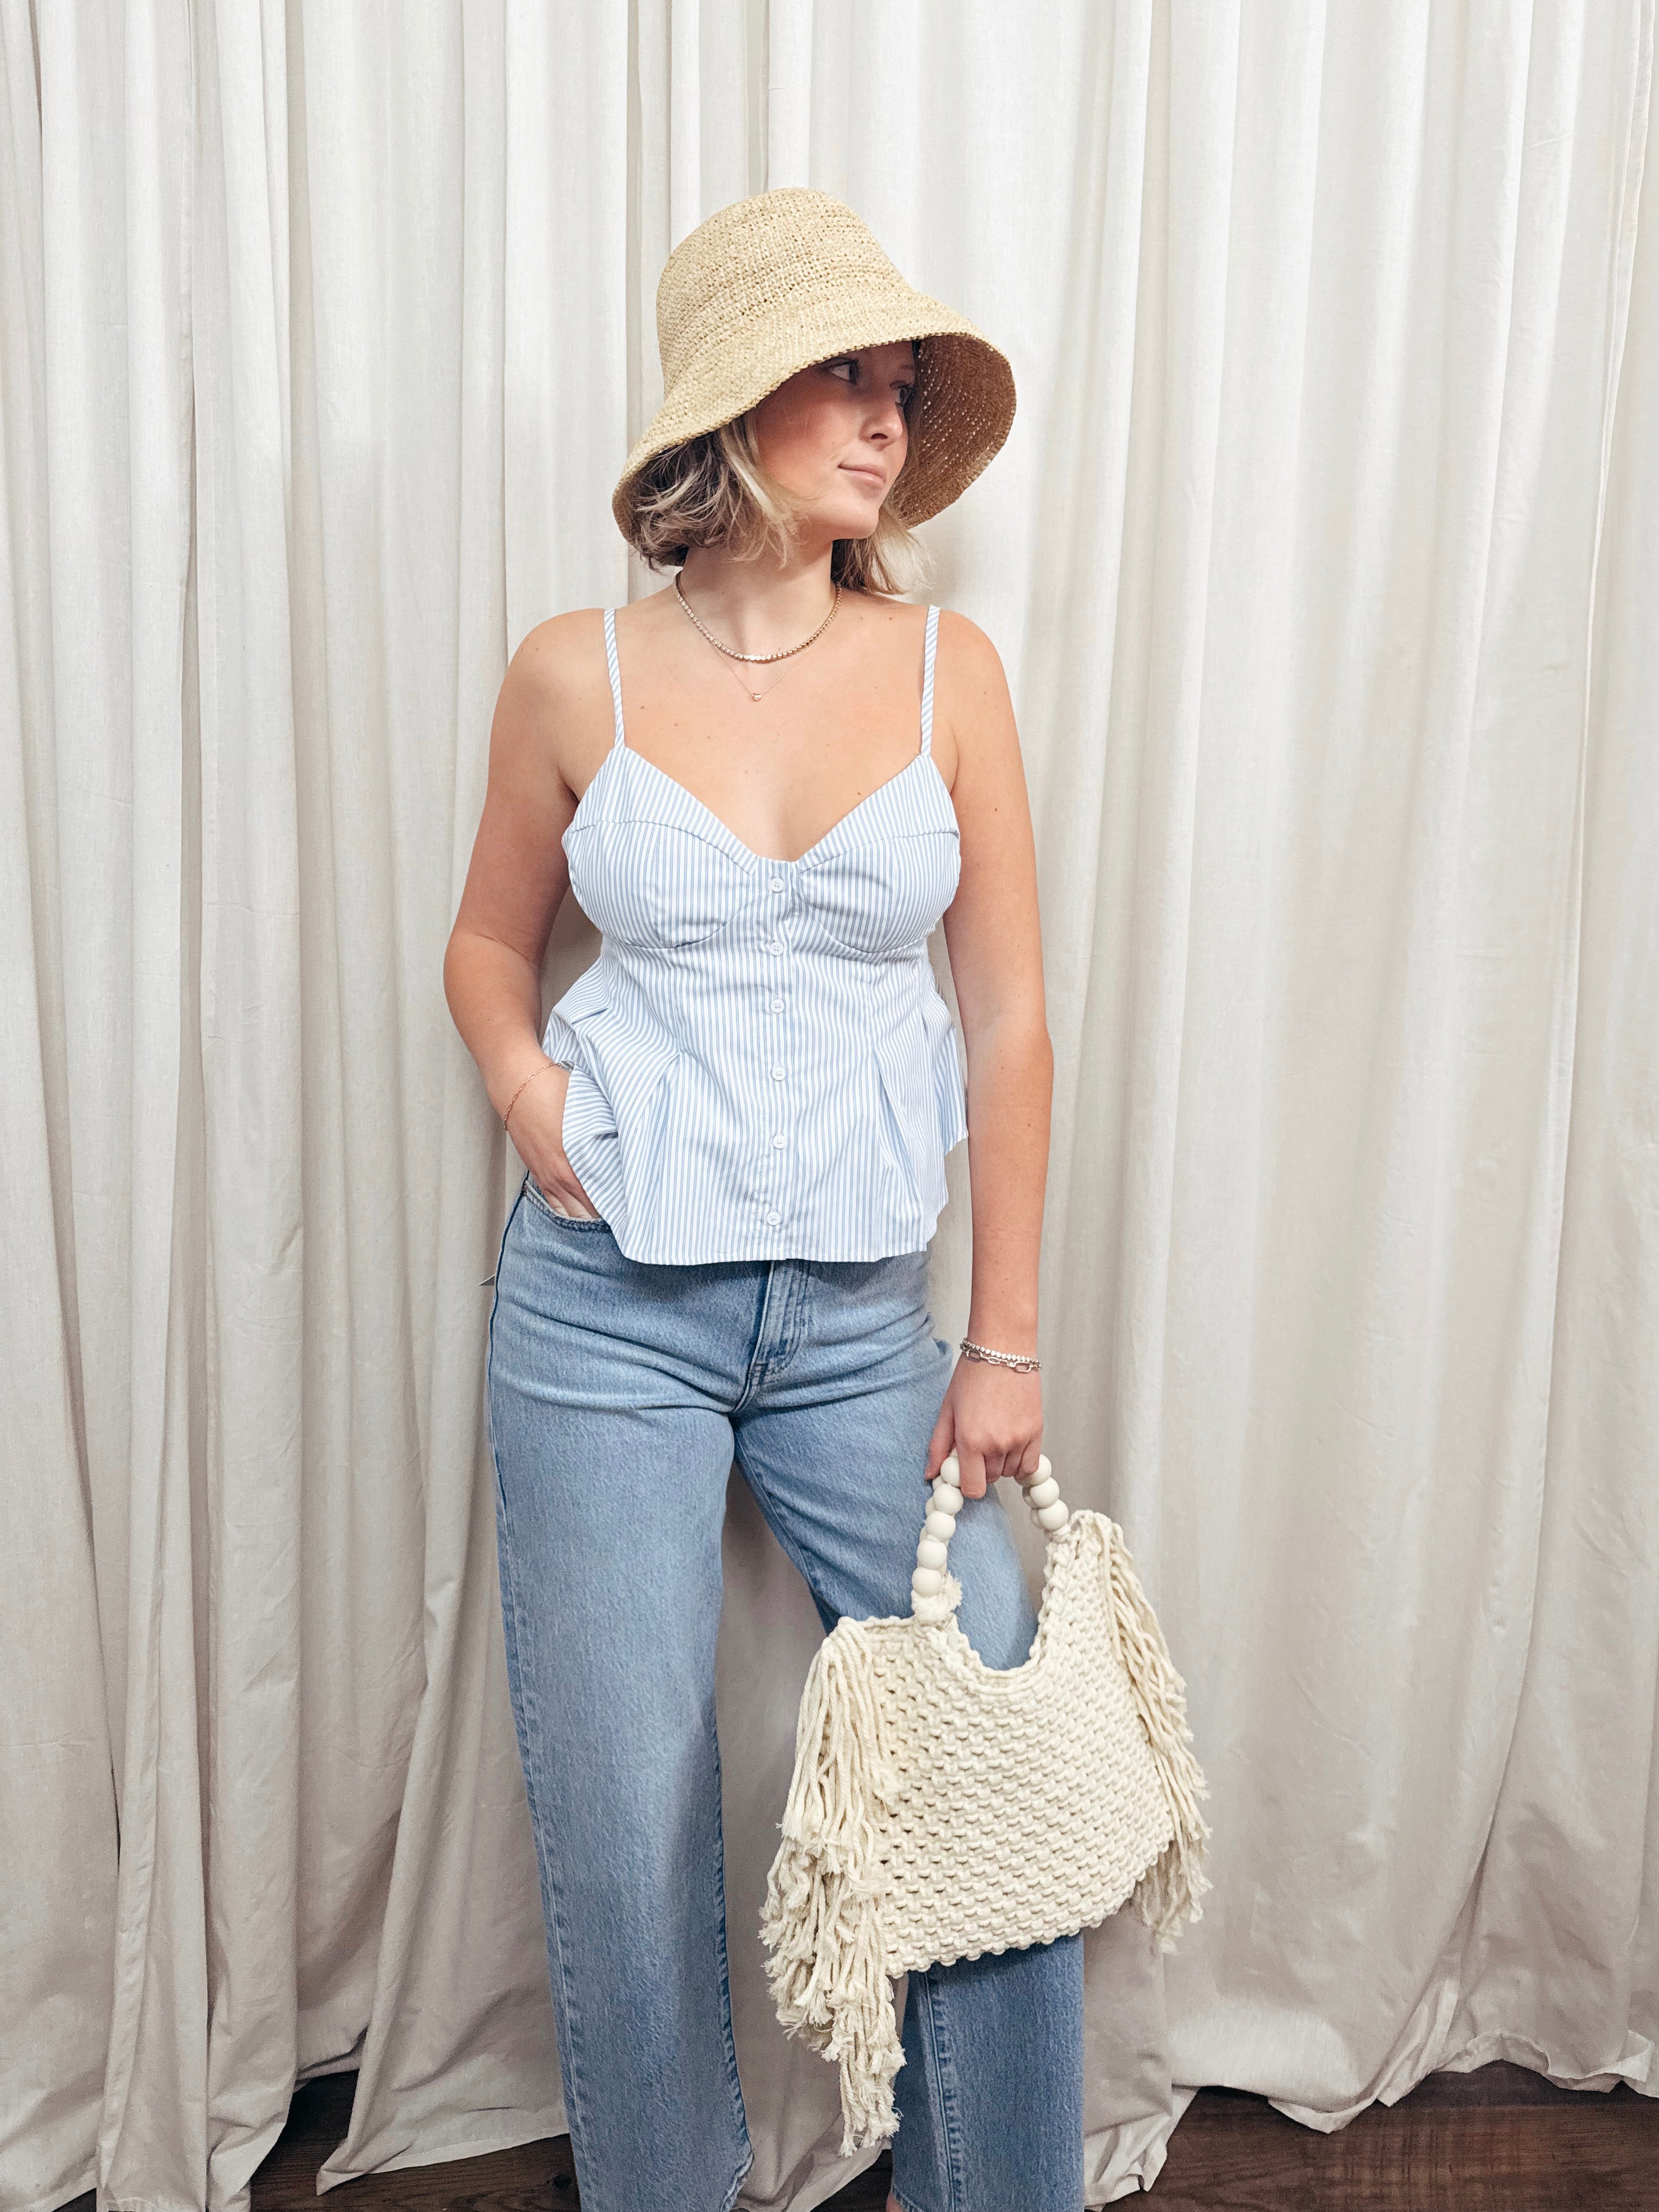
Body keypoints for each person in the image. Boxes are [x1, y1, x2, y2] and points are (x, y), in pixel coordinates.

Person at [444, 187, 1084, 2212]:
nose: (887, 422)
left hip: (859, 1325)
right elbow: (485, 943)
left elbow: (1009, 1018)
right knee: (625, 1806)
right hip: (600, 1308)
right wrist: (528, 1087)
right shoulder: (572, 676)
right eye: (846, 379)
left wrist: (1002, 1342)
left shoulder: (946, 670)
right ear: (732, 408)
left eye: (902, 388)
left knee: (982, 1743)